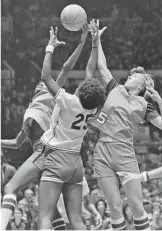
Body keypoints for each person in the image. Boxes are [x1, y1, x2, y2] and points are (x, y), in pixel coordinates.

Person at [1, 23, 89, 231]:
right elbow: (16, 143)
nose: (41, 84)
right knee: (51, 212)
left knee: (11, 187)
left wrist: (78, 43)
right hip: (59, 157)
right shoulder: (32, 110)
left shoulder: (51, 95)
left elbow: (65, 68)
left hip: (48, 152)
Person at [91, 21, 162, 230]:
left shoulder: (144, 105)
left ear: (142, 84)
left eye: (133, 75)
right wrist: (97, 40)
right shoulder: (115, 89)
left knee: (136, 206)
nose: (129, 75)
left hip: (124, 152)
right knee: (115, 207)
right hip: (102, 150)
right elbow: (101, 67)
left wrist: (160, 102)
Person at [39, 25, 105, 230]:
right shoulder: (93, 109)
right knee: (77, 220)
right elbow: (89, 70)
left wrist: (49, 48)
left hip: (57, 156)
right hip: (76, 163)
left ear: (81, 91)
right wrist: (92, 43)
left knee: (45, 217)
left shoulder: (67, 101)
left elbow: (46, 77)